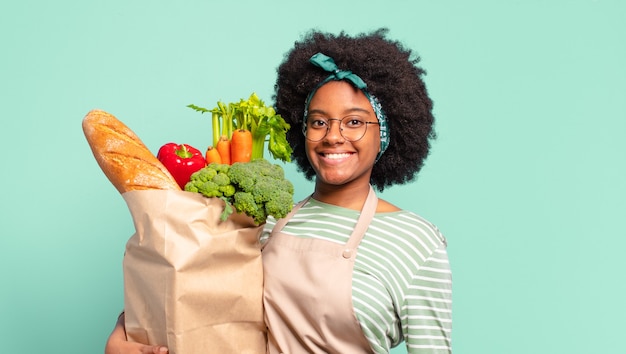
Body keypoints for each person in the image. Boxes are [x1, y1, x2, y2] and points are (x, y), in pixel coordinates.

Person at [105, 28, 452, 354]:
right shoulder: (266, 222)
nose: (333, 135)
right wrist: (122, 336)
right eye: (318, 121)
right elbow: (187, 299)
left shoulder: (416, 241)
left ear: (387, 133)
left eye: (355, 121)